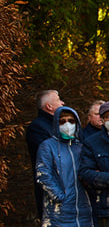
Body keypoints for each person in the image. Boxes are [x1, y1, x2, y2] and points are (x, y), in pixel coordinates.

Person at [80, 99, 106, 227]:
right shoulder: (84, 137)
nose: (101, 117)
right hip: (91, 195)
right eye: (97, 114)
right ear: (89, 117)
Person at [26, 90, 65, 220]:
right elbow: (48, 157)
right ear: (49, 106)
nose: (62, 103)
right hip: (51, 190)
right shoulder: (37, 128)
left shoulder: (62, 125)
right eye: (58, 100)